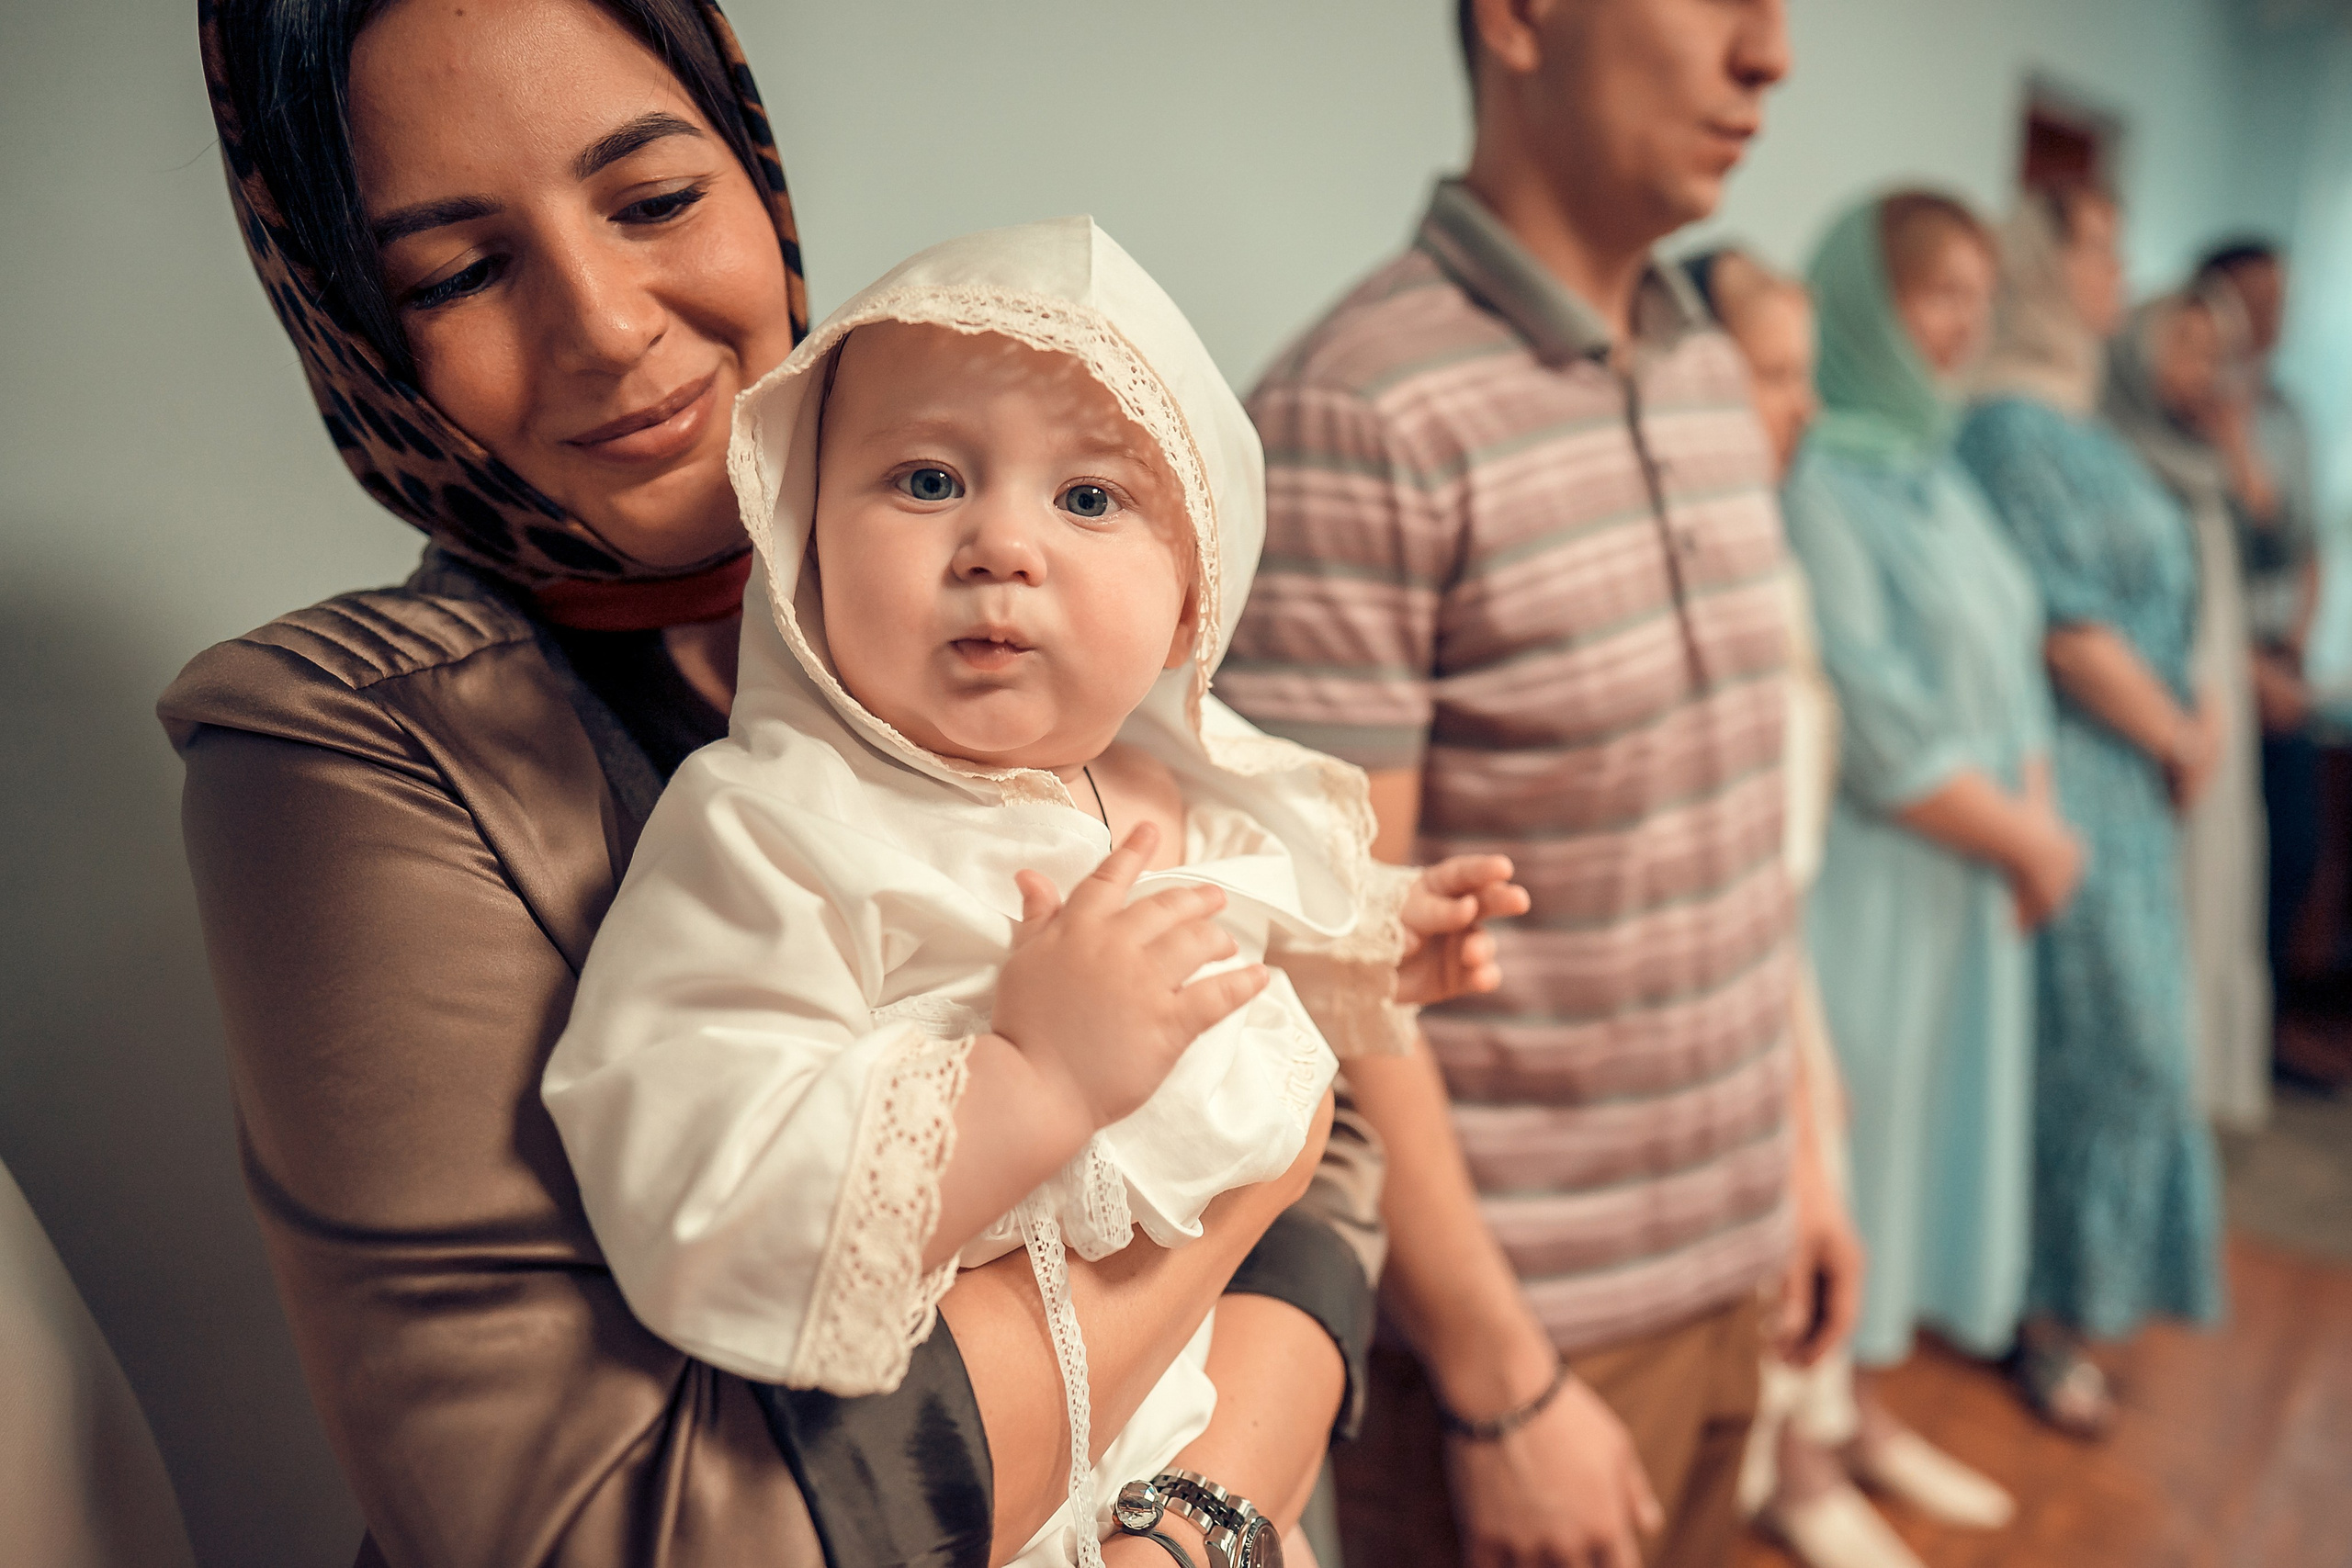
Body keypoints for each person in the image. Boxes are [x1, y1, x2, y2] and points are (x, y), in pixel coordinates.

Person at [162, 4, 1386, 1562]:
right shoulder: (345, 752)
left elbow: (1318, 1087)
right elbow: (629, 1533)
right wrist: (1205, 1174)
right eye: (460, 271)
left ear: (753, 177)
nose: (605, 324)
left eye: (657, 199)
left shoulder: (1010, 555)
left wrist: (1195, 1517)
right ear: (353, 326)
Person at [542, 217, 1527, 1568]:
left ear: (1194, 600)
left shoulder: (1150, 782)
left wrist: (1369, 929)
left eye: (1087, 498)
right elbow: (696, 1166)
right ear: (806, 535)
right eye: (929, 478)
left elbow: (1240, 921)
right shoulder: (775, 827)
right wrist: (1035, 1080)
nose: (1002, 545)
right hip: (968, 1505)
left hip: (1194, 1460)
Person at [1218, 4, 1865, 1565]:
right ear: (1517, 19)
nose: (1770, 55)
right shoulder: (1353, 411)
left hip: (1735, 1267)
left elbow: (1721, 831)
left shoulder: (1710, 367)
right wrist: (1505, 1382)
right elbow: (1329, 956)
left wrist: (1807, 1154)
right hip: (1525, 1341)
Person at [1774, 192, 2080, 1560]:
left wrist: (2038, 810)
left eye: (1975, 293)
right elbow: (1880, 714)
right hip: (1888, 879)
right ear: (1864, 305)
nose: (1961, 323)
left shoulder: (1941, 467)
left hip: (1974, 880)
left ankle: (1867, 1410)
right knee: (1856, 1156)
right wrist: (2027, 838)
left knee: (1921, 1157)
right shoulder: (1818, 480)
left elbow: (2014, 670)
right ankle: (1797, 1455)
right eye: (1935, 294)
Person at [1955, 185, 2228, 1437]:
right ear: (2043, 262)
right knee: (2111, 1052)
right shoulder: (2010, 428)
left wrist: (2198, 712)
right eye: (2100, 242)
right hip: (2082, 771)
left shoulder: (2086, 418)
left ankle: (2077, 1309)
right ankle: (2045, 1311)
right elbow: (2065, 626)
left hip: (2144, 781)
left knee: (2131, 1052)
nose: (2121, 266)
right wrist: (2175, 726)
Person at [2105, 290, 2274, 1129]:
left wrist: (2237, 447)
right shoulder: (2112, 451)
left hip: (2217, 695)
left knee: (2220, 872)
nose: (2198, 372)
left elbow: (2273, 545)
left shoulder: (2206, 461)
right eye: (2184, 349)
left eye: (2212, 355)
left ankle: (2200, 1073)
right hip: (2154, 697)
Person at [2195, 241, 2329, 1055]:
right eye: (2257, 299)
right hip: (2218, 661)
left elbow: (2297, 543)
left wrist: (2291, 654)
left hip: (2278, 658)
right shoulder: (2188, 403)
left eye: (2282, 299)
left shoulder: (2290, 412)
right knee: (2224, 859)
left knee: (2295, 851)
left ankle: (2261, 1029)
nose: (2272, 318)